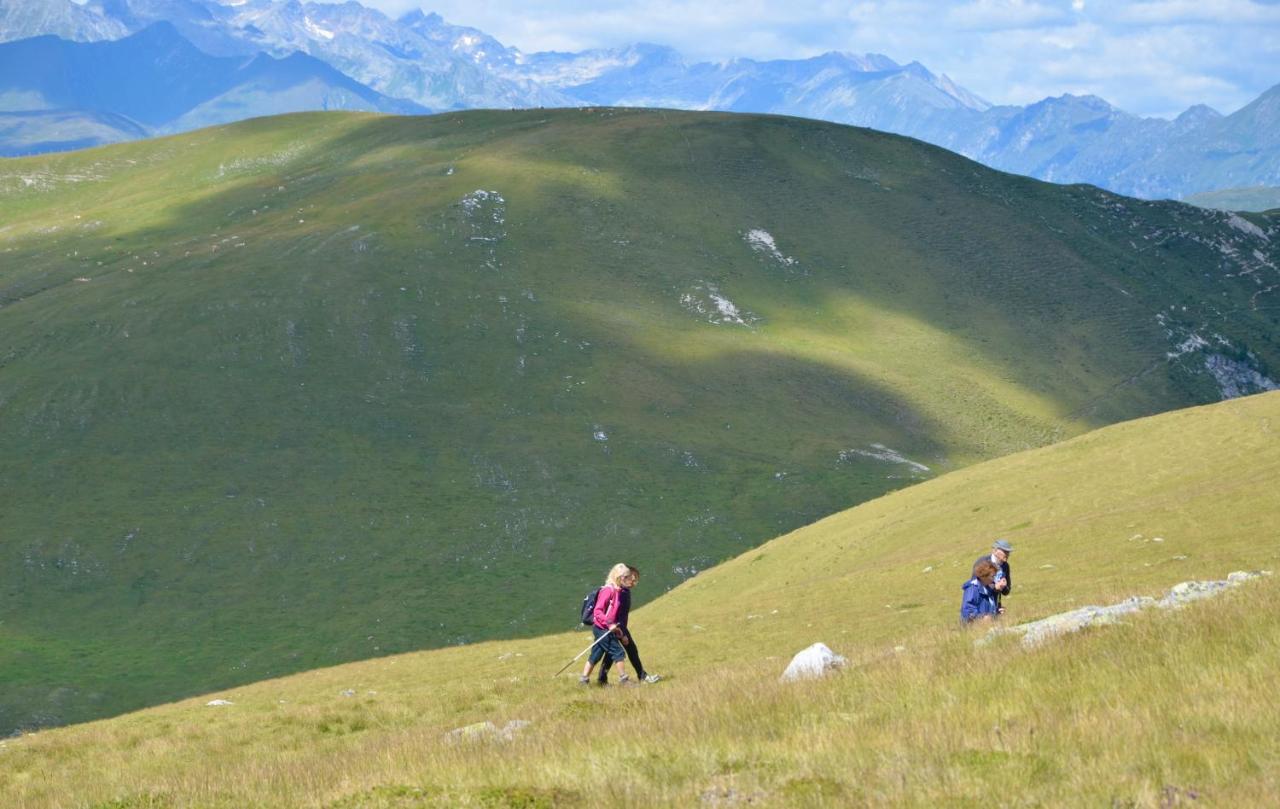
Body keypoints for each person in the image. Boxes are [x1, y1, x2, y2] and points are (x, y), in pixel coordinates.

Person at [597, 566, 661, 685]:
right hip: (616, 627)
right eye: (630, 578)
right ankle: (640, 676)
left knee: (612, 654)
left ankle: (602, 679)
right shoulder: (620, 593)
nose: (633, 581)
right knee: (627, 650)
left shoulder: (624, 591)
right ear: (621, 578)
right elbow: (617, 614)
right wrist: (621, 633)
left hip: (616, 626)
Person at [580, 563, 633, 686]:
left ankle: (583, 680)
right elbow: (597, 611)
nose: (629, 580)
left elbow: (614, 615)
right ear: (619, 577)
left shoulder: (618, 591)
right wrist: (609, 624)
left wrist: (620, 633)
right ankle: (624, 680)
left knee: (596, 654)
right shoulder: (607, 590)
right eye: (626, 577)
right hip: (602, 628)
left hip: (607, 628)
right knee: (618, 653)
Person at [973, 539, 1013, 613]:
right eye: (1005, 551)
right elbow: (974, 586)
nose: (1007, 554)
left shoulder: (1005, 566)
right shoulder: (982, 562)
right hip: (981, 606)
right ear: (994, 551)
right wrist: (995, 587)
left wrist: (1004, 586)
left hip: (996, 607)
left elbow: (1006, 592)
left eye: (1008, 552)